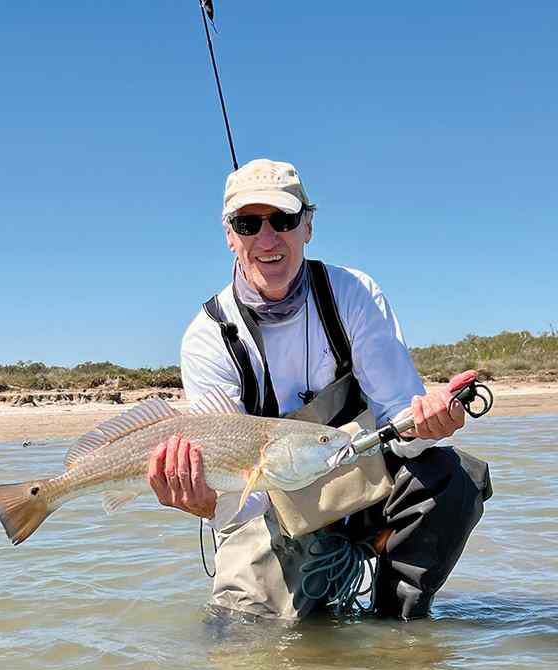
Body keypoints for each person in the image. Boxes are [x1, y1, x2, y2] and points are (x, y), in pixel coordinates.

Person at [148, 158, 491, 621]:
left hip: (360, 483)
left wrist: (429, 424)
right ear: (230, 235)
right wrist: (207, 503)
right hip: (264, 505)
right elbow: (240, 500)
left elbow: (399, 420)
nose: (268, 239)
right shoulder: (209, 336)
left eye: (283, 219)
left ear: (307, 226)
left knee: (453, 477)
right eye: (249, 224)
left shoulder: (354, 294)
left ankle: (397, 630)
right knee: (243, 634)